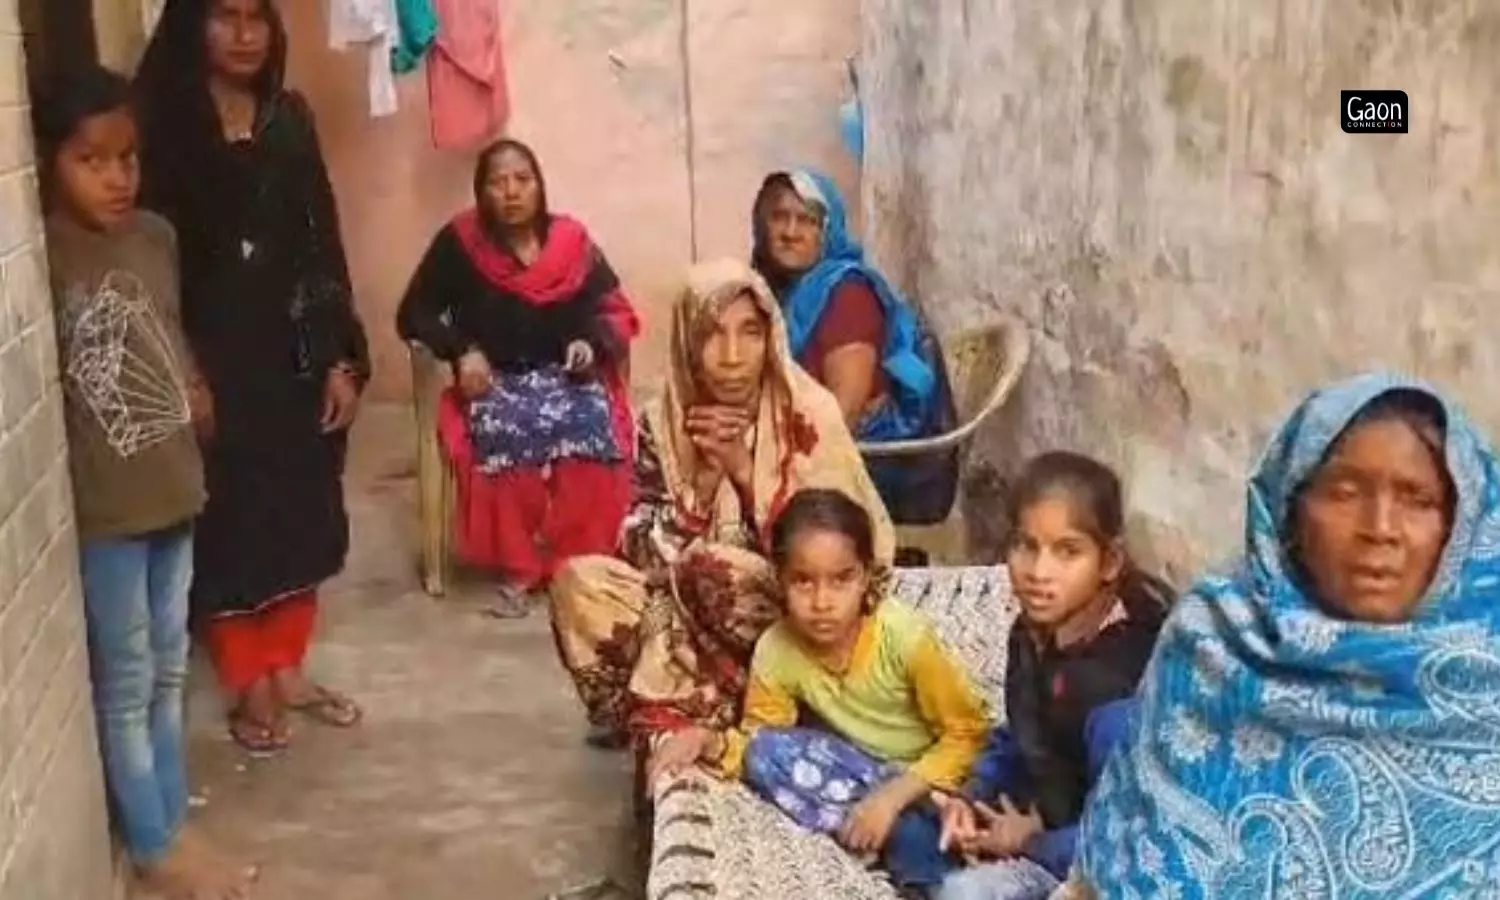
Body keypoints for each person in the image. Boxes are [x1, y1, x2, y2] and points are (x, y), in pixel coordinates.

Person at [1074, 373, 1500, 898]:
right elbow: (1105, 876)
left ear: (1460, 526)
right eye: (1344, 492)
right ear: (1291, 511)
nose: (1381, 528)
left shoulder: (1486, 689)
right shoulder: (1213, 643)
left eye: (1418, 499)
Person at [34, 64, 256, 900]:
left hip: (173, 486)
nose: (116, 177)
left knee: (168, 668)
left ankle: (168, 822)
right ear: (50, 162)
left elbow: (168, 332)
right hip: (107, 511)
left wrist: (194, 383)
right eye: (91, 160)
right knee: (127, 680)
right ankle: (159, 845)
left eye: (127, 158)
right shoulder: (44, 255)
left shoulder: (154, 237)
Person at [136, 0, 370, 755]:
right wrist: (182, 368)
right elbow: (146, 261)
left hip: (290, 353)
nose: (243, 34)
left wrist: (338, 354)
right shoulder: (162, 129)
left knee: (298, 507)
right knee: (227, 515)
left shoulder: (288, 119)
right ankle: (250, 677)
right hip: (207, 353)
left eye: (256, 17)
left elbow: (319, 240)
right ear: (190, 26)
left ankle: (290, 666)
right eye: (224, 16)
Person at [549, 258, 894, 749]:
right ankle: (667, 702)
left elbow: (839, 555)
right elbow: (640, 557)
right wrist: (702, 489)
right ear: (687, 341)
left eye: (749, 333)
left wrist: (743, 470)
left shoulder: (807, 413)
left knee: (710, 568)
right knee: (578, 583)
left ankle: (720, 704)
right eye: (713, 334)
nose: (732, 356)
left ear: (770, 337)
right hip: (677, 602)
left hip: (790, 612)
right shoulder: (664, 423)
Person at [649, 489, 992, 895]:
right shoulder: (777, 649)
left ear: (866, 576)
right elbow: (765, 741)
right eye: (803, 581)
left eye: (841, 579)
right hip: (854, 776)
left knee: (921, 831)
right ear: (780, 581)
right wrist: (707, 741)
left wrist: (894, 797)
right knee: (766, 752)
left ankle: (922, 869)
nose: (822, 601)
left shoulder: (902, 637)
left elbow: (969, 734)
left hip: (928, 782)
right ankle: (881, 833)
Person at [397, 139, 639, 617]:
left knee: (591, 426)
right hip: (497, 380)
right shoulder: (461, 244)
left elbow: (611, 308)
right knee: (506, 433)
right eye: (497, 182)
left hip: (563, 375)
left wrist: (588, 344)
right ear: (481, 191)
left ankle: (578, 564)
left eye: (522, 180)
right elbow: (414, 313)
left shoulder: (572, 243)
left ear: (539, 186)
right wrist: (462, 351)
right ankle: (522, 567)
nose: (511, 192)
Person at [934, 453, 1172, 900]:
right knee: (915, 818)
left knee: (965, 894)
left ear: (1109, 562)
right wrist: (972, 795)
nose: (1039, 573)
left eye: (1068, 552)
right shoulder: (1033, 633)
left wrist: (1029, 842)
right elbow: (1022, 731)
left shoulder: (1119, 688)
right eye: (1025, 545)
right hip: (1046, 808)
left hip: (1102, 865)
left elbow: (1129, 839)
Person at [750, 170, 954, 524]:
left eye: (807, 221)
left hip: (866, 462)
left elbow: (843, 414)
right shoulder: (782, 295)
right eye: (779, 217)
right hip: (809, 444)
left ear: (828, 231)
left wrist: (775, 464)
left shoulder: (845, 294)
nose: (790, 232)